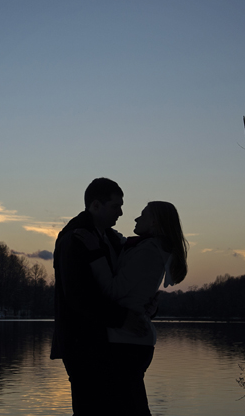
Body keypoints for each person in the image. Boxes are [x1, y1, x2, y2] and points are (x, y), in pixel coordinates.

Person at [76, 201, 189, 416]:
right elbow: (123, 246)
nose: (136, 219)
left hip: (127, 343)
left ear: (154, 221)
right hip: (128, 340)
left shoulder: (148, 252)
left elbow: (113, 291)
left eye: (142, 215)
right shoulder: (145, 247)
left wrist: (95, 253)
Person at [50, 177, 147, 416]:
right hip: (82, 345)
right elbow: (79, 297)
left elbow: (123, 284)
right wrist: (123, 318)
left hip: (106, 344)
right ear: (95, 205)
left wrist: (147, 302)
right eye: (116, 206)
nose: (121, 212)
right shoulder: (74, 238)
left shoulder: (110, 238)